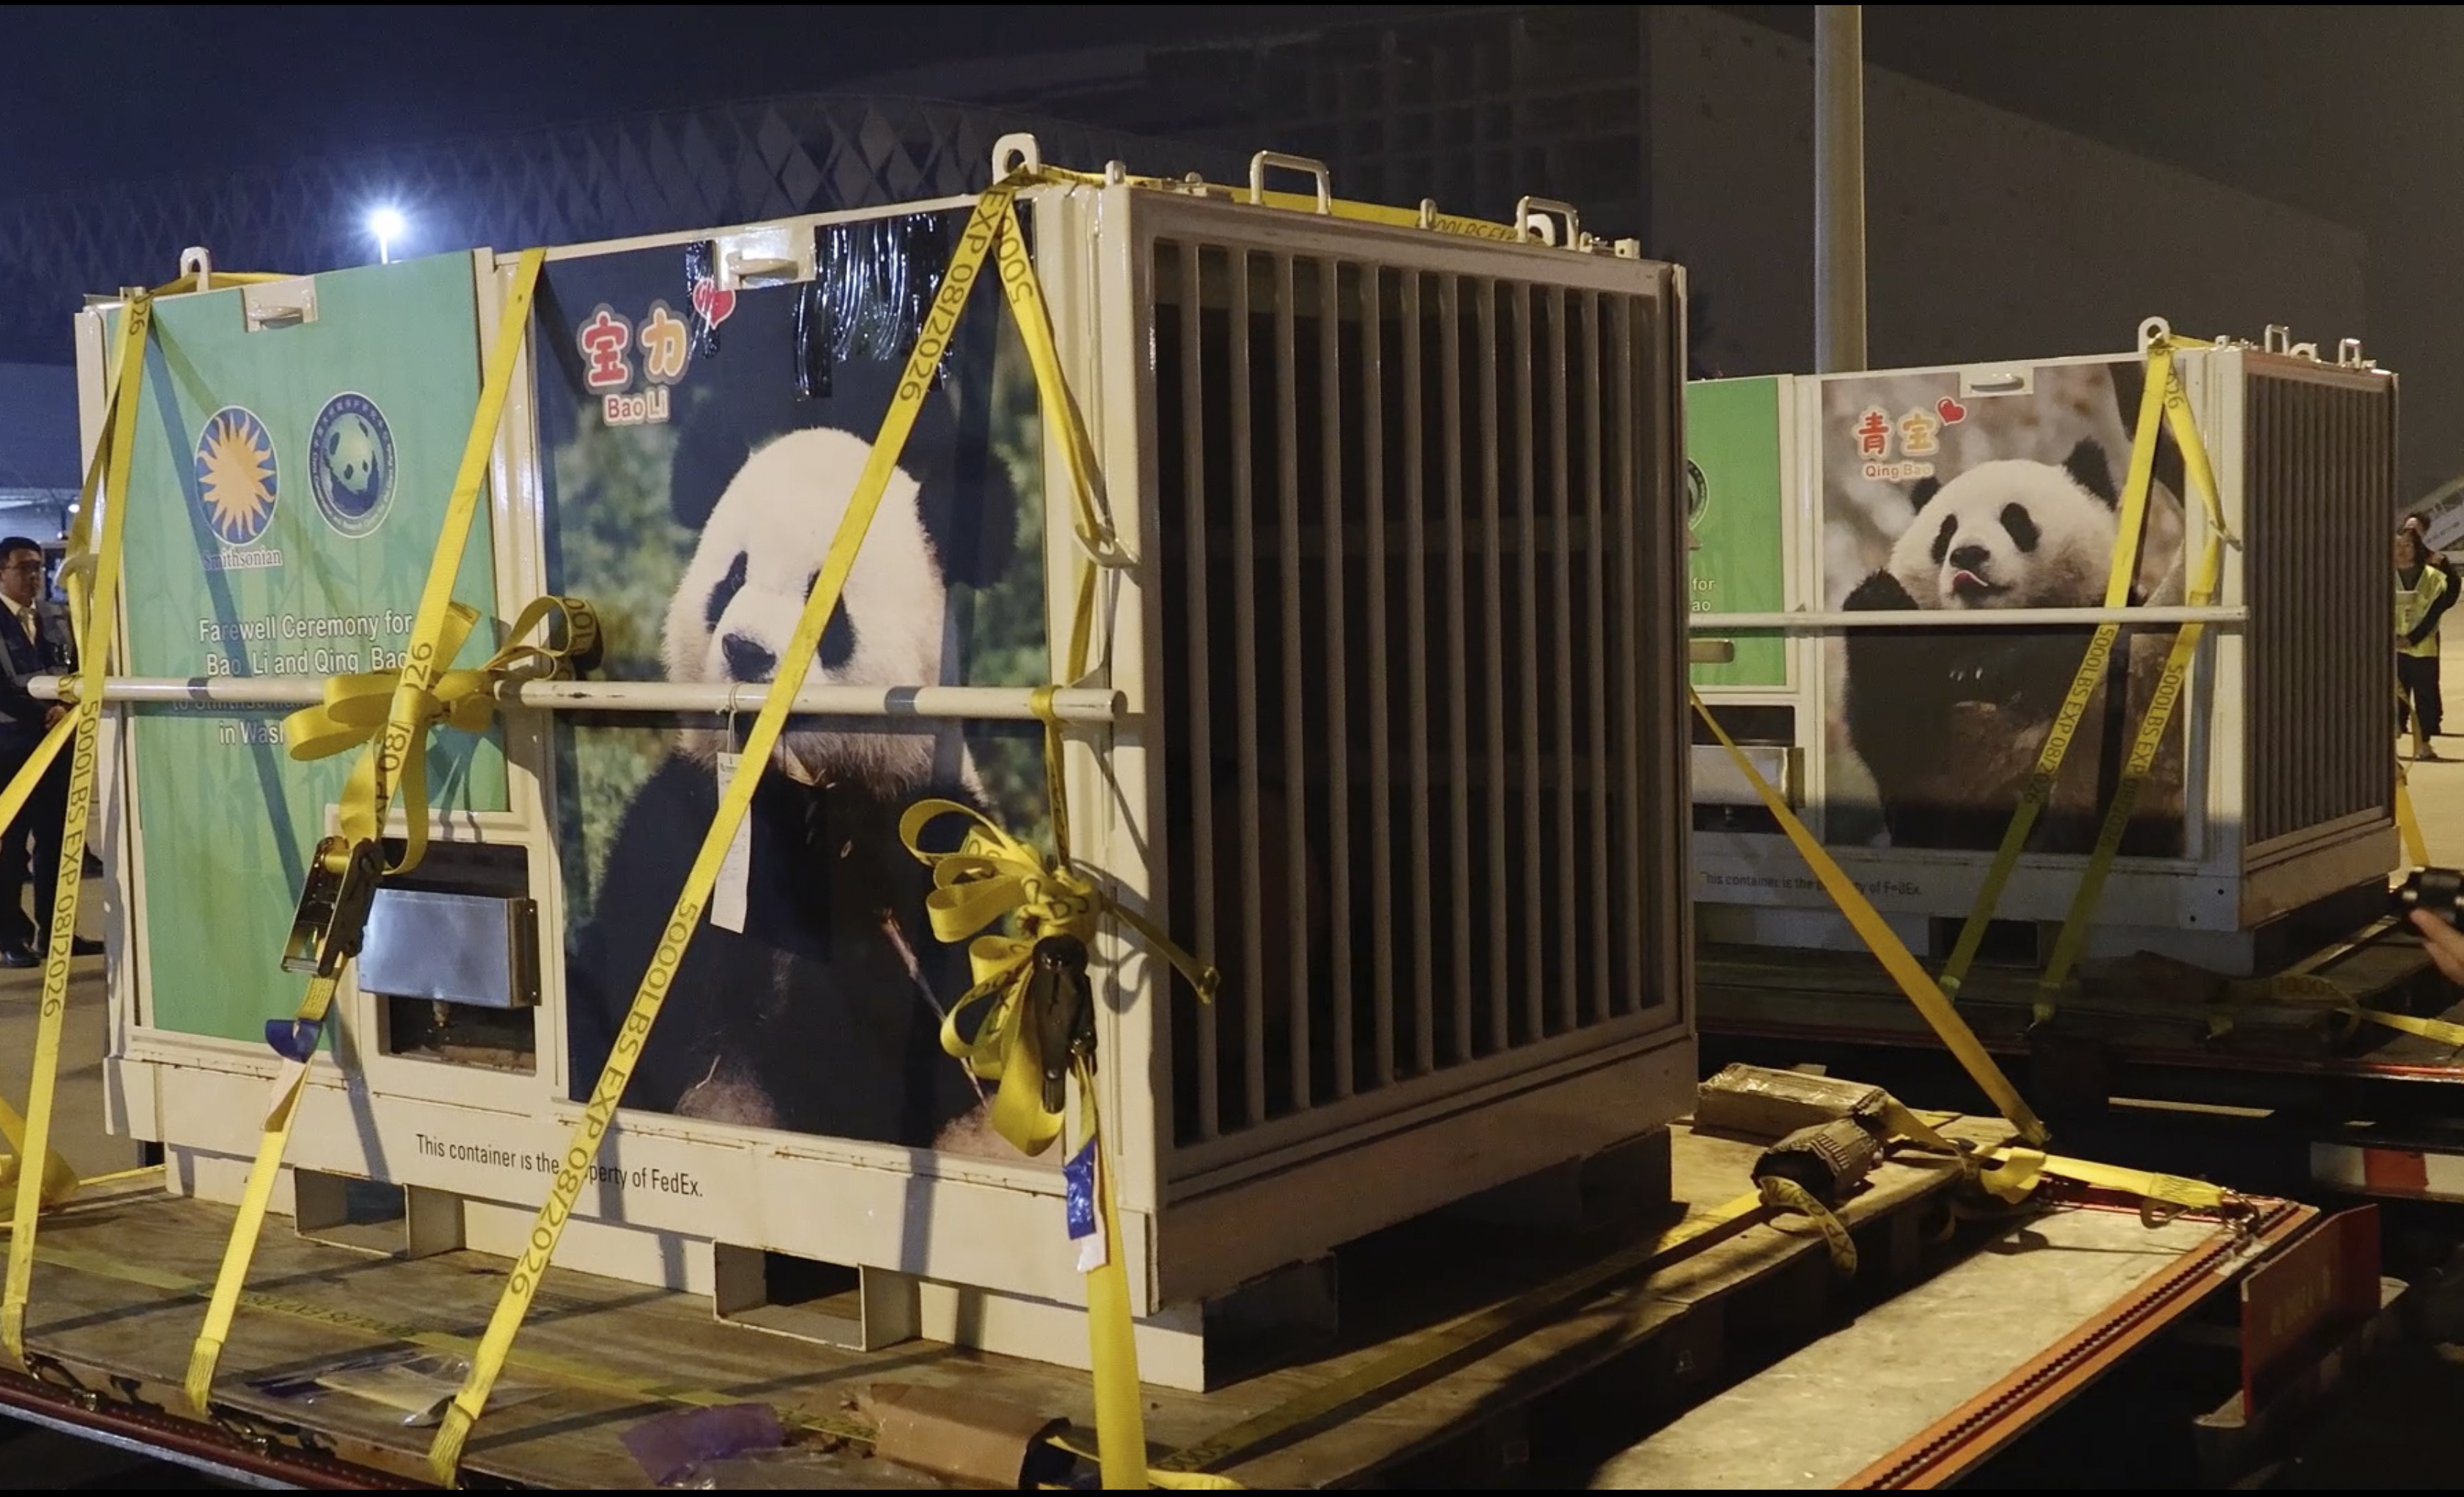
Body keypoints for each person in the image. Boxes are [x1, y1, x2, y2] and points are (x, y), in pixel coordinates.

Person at [0, 537, 101, 966]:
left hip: (57, 746)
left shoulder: (55, 617)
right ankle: (10, 937)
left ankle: (56, 932)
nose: (34, 576)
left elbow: (76, 669)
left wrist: (71, 707)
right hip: (10, 749)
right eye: (24, 568)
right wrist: (42, 714)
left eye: (38, 568)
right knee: (10, 848)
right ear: (2, 572)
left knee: (58, 845)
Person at [2397, 527, 2450, 761]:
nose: (2402, 550)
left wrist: (2412, 638)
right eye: (2397, 545)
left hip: (2423, 646)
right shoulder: (2380, 575)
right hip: (2392, 648)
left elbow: (2435, 612)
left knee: (2425, 696)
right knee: (2394, 697)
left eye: (2408, 545)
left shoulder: (2433, 577)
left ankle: (2424, 742)